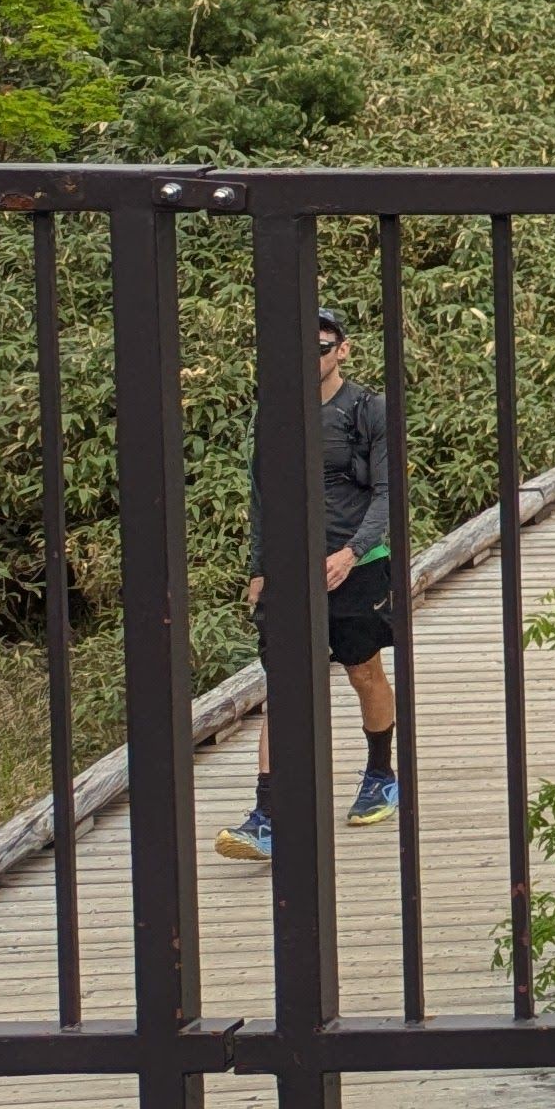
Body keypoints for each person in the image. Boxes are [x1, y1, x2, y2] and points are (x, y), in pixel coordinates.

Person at [217, 308, 400, 862]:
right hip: (291, 568)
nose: (311, 357)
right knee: (285, 684)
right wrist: (259, 566)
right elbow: (261, 493)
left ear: (343, 350)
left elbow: (390, 493)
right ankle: (267, 814)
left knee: (363, 670)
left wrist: (351, 553)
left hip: (358, 562)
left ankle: (379, 772)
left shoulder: (368, 410)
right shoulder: (273, 413)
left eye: (321, 346)